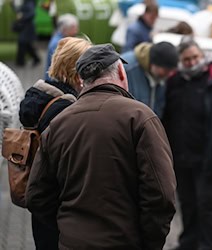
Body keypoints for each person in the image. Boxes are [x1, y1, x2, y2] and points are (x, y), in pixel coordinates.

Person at [26, 43, 177, 249]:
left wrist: (67, 228)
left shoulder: (58, 124)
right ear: (122, 73)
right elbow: (161, 194)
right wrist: (151, 242)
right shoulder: (141, 117)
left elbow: (37, 196)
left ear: (82, 80)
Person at [162, 38, 212, 250]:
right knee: (188, 204)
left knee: (209, 206)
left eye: (195, 57)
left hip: (211, 155)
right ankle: (189, 243)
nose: (191, 62)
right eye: (186, 59)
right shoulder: (175, 82)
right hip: (182, 157)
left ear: (202, 55)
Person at [19, 36, 92, 250]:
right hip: (60, 204)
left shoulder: (38, 96)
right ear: (77, 69)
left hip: (39, 197)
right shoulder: (65, 108)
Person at [121, 41, 178, 117]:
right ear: (153, 63)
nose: (170, 74)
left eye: (172, 71)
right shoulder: (126, 69)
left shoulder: (160, 75)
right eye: (166, 70)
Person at [45, 13, 79, 81]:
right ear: (65, 29)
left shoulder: (61, 39)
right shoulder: (58, 44)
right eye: (74, 28)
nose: (76, 31)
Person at [12, 0, 41, 67]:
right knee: (26, 44)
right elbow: (20, 11)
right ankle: (35, 59)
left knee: (22, 42)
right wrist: (13, 5)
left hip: (27, 27)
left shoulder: (29, 2)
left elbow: (32, 13)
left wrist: (22, 17)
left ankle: (20, 61)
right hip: (25, 27)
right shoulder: (26, 2)